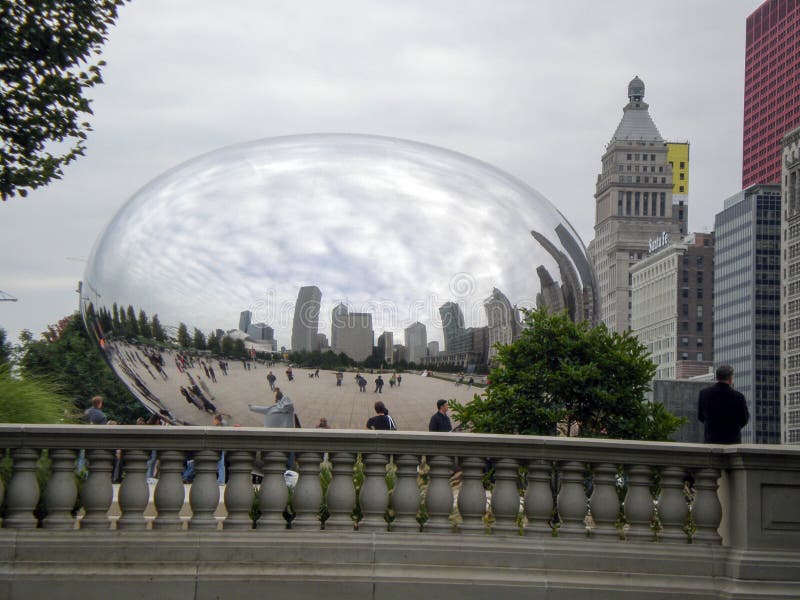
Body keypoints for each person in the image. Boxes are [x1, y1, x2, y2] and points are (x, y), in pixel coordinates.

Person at [698, 364, 750, 444]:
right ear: (730, 378)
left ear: (717, 377)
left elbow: (701, 417)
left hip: (711, 440)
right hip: (732, 441)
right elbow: (744, 419)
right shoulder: (739, 397)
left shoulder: (704, 394)